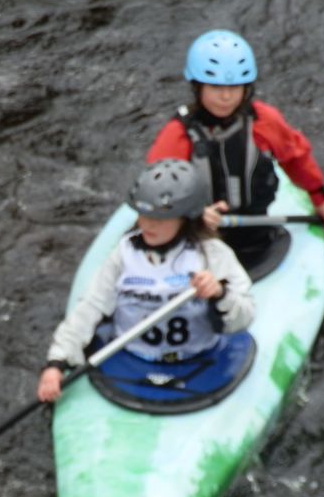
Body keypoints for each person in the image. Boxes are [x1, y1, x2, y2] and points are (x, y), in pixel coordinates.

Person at [37, 159, 255, 403]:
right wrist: (57, 362)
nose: (148, 224)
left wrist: (220, 294)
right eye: (144, 214)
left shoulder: (212, 255)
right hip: (132, 358)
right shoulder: (123, 254)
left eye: (160, 218)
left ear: (186, 218)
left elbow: (245, 317)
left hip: (199, 359)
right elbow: (91, 307)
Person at [146, 30, 324, 263]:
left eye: (235, 88)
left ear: (246, 89)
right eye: (216, 88)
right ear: (198, 87)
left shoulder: (264, 121)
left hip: (254, 232)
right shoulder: (179, 134)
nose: (226, 97)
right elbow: (156, 191)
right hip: (197, 235)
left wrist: (320, 199)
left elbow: (295, 158)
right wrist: (192, 214)